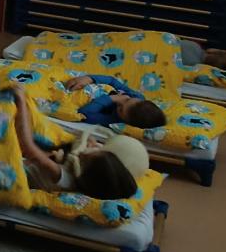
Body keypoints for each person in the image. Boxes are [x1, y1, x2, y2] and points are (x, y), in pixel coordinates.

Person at [8, 85, 146, 200]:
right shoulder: (80, 174)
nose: (92, 147)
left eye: (87, 155)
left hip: (12, 170)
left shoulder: (64, 177)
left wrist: (21, 101)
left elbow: (28, 146)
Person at [62, 75, 166, 129]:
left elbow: (84, 114)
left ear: (125, 120)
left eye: (120, 109)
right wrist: (89, 78)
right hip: (87, 85)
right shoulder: (136, 96)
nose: (120, 101)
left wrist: (111, 99)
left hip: (76, 97)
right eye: (127, 99)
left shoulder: (113, 118)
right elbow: (112, 81)